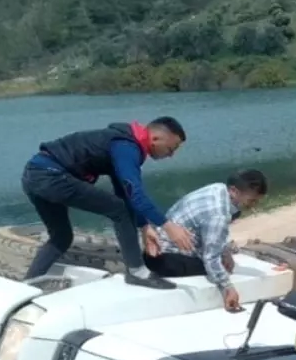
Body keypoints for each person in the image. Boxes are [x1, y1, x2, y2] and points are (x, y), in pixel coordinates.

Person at [21, 116, 196, 289]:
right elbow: (134, 191)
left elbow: (123, 190)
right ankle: (137, 273)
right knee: (119, 210)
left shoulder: (120, 141)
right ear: (156, 138)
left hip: (33, 174)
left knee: (61, 237)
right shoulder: (126, 147)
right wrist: (167, 225)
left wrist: (144, 226)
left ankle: (28, 285)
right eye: (171, 148)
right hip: (51, 176)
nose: (171, 155)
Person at [142, 170, 268, 311]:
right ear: (233, 191)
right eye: (251, 201)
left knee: (220, 259)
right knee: (219, 269)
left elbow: (216, 232)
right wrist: (228, 288)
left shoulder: (218, 189)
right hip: (165, 259)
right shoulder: (218, 214)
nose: (254, 206)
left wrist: (225, 251)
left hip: (155, 248)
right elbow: (210, 258)